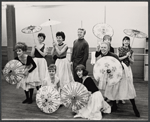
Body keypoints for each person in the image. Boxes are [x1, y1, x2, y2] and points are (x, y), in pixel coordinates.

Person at [99, 42, 140, 117]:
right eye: (102, 47)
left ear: (108, 48)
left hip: (122, 72)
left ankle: (134, 107)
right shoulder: (102, 55)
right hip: (113, 74)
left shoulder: (113, 55)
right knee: (112, 89)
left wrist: (112, 72)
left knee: (127, 89)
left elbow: (119, 65)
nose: (103, 49)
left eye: (105, 47)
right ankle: (114, 105)